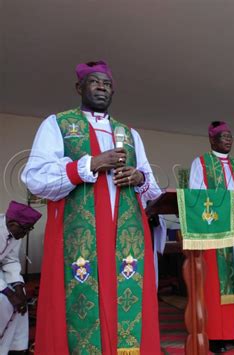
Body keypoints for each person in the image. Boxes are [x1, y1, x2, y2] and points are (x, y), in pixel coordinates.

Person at [21, 61, 161, 354]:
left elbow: (152, 188)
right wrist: (90, 164)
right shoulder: (57, 124)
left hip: (126, 235)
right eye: (94, 82)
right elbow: (35, 179)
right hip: (80, 236)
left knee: (125, 302)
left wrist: (139, 177)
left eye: (107, 84)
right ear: (79, 87)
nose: (101, 88)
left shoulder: (129, 133)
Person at [189, 121, 234, 353]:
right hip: (216, 231)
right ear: (212, 139)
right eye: (223, 136)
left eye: (230, 136)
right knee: (216, 283)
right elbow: (197, 195)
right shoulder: (201, 163)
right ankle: (216, 336)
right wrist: (228, 210)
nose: (228, 140)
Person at [0, 201, 42, 355]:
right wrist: (9, 293)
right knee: (4, 302)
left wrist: (18, 286)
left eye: (29, 229)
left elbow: (10, 260)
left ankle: (15, 347)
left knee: (21, 304)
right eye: (25, 229)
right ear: (12, 223)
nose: (26, 234)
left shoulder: (15, 232)